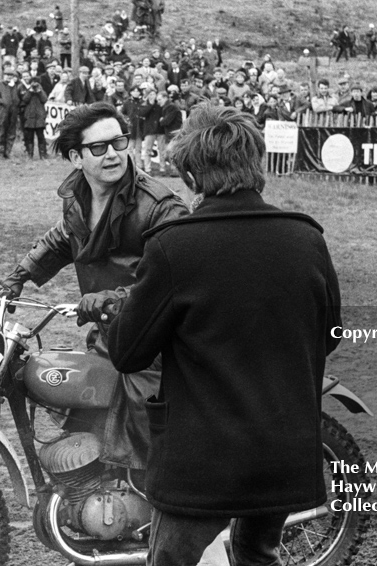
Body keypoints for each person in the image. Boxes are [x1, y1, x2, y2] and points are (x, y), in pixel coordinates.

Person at [106, 105, 341, 566]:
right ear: (257, 166)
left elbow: (128, 352)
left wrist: (120, 309)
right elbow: (329, 334)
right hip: (281, 447)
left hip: (201, 459)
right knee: (259, 556)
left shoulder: (173, 245)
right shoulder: (306, 238)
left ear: (191, 176)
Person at [0, 102, 188, 469]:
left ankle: (159, 495)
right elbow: (61, 240)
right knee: (85, 408)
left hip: (155, 345)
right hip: (109, 335)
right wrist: (19, 277)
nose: (113, 154)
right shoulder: (79, 198)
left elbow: (176, 277)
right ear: (76, 157)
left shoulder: (159, 207)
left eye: (119, 142)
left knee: (145, 428)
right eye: (98, 148)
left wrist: (113, 299)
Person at [0, 68, 20, 158]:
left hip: (13, 111)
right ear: (4, 75)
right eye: (7, 75)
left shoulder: (16, 86)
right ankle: (0, 152)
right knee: (1, 132)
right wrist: (1, 101)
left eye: (11, 75)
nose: (9, 77)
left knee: (11, 132)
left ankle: (8, 151)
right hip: (2, 111)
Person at [18, 76, 48, 159]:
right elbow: (25, 100)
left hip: (39, 116)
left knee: (41, 136)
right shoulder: (28, 91)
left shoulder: (41, 90)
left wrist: (39, 91)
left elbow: (44, 99)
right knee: (29, 137)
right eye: (33, 82)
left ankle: (42, 155)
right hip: (30, 116)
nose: (34, 84)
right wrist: (30, 91)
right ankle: (30, 154)